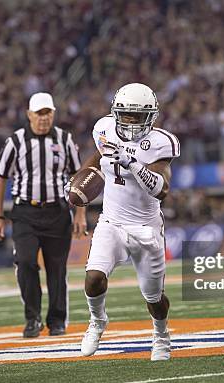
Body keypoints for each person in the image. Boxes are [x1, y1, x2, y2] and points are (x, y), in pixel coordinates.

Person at [67, 83, 180, 360]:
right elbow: (96, 160)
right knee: (93, 278)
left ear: (151, 117)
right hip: (112, 222)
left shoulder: (160, 142)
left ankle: (161, 334)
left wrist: (133, 163)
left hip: (146, 228)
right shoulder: (103, 129)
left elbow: (161, 189)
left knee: (154, 298)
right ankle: (97, 320)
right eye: (125, 114)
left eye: (135, 116)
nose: (129, 121)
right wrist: (80, 180)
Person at [0, 92, 87, 338]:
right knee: (25, 262)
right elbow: (0, 177)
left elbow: (79, 177)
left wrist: (80, 214)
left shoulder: (65, 139)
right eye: (39, 113)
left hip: (57, 211)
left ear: (53, 114)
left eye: (48, 113)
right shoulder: (16, 141)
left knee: (57, 269)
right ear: (29, 115)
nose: (44, 118)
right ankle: (32, 317)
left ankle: (57, 320)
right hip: (26, 211)